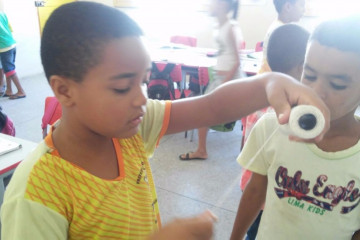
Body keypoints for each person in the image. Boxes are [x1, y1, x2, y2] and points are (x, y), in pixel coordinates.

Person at [0, 2, 329, 240]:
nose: (141, 97)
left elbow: (212, 107)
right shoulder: (37, 194)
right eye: (121, 86)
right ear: (64, 90)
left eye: (143, 80)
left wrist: (267, 84)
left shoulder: (129, 127)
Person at [230, 15, 360, 240]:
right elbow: (254, 191)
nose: (316, 91)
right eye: (308, 75)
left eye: (337, 84)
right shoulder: (273, 126)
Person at [239, 24, 310, 240]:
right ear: (302, 67)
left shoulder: (256, 103)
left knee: (254, 231)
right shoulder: (294, 115)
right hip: (272, 194)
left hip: (250, 185)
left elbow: (245, 149)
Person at [179, 0, 243, 160]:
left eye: (213, 3)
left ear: (223, 5)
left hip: (227, 80)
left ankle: (202, 150)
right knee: (204, 114)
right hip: (220, 78)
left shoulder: (230, 27)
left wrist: (225, 82)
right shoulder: (220, 26)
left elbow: (237, 60)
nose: (210, 5)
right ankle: (201, 150)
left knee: (205, 113)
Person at [258, 0, 305, 74]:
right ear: (288, 7)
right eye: (301, 5)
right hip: (272, 78)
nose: (304, 10)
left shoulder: (280, 26)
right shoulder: (281, 32)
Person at [0, 11, 26, 99]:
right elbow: (10, 29)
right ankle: (9, 90)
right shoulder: (2, 14)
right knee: (8, 69)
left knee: (9, 70)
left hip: (4, 47)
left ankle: (21, 91)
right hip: (11, 44)